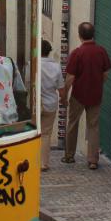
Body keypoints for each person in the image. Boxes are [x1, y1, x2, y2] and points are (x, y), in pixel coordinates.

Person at [61, 22, 111, 170]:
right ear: (93, 34)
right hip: (96, 95)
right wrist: (98, 84)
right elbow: (105, 74)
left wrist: (64, 95)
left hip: (78, 95)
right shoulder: (101, 51)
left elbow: (70, 77)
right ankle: (93, 160)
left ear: (79, 36)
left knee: (72, 124)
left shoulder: (77, 53)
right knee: (93, 127)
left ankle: (69, 155)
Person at [39, 40, 65, 171]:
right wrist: (64, 100)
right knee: (46, 134)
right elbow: (61, 88)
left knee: (33, 134)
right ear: (49, 52)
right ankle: (44, 163)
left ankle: (32, 160)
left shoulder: (32, 64)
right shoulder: (56, 67)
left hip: (35, 105)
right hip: (50, 104)